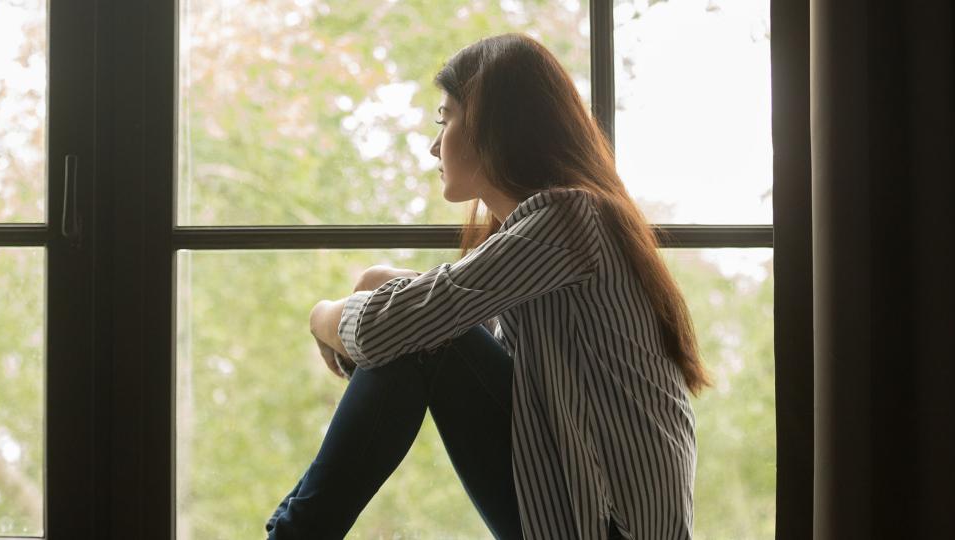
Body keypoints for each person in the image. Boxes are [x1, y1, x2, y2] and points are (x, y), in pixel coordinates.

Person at [265, 33, 709, 540]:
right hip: (581, 514)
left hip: (608, 527)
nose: (435, 144)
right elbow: (437, 327)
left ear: (492, 127)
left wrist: (321, 316)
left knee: (424, 335)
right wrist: (379, 286)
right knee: (421, 328)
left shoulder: (569, 219)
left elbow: (401, 330)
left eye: (445, 118)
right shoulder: (546, 234)